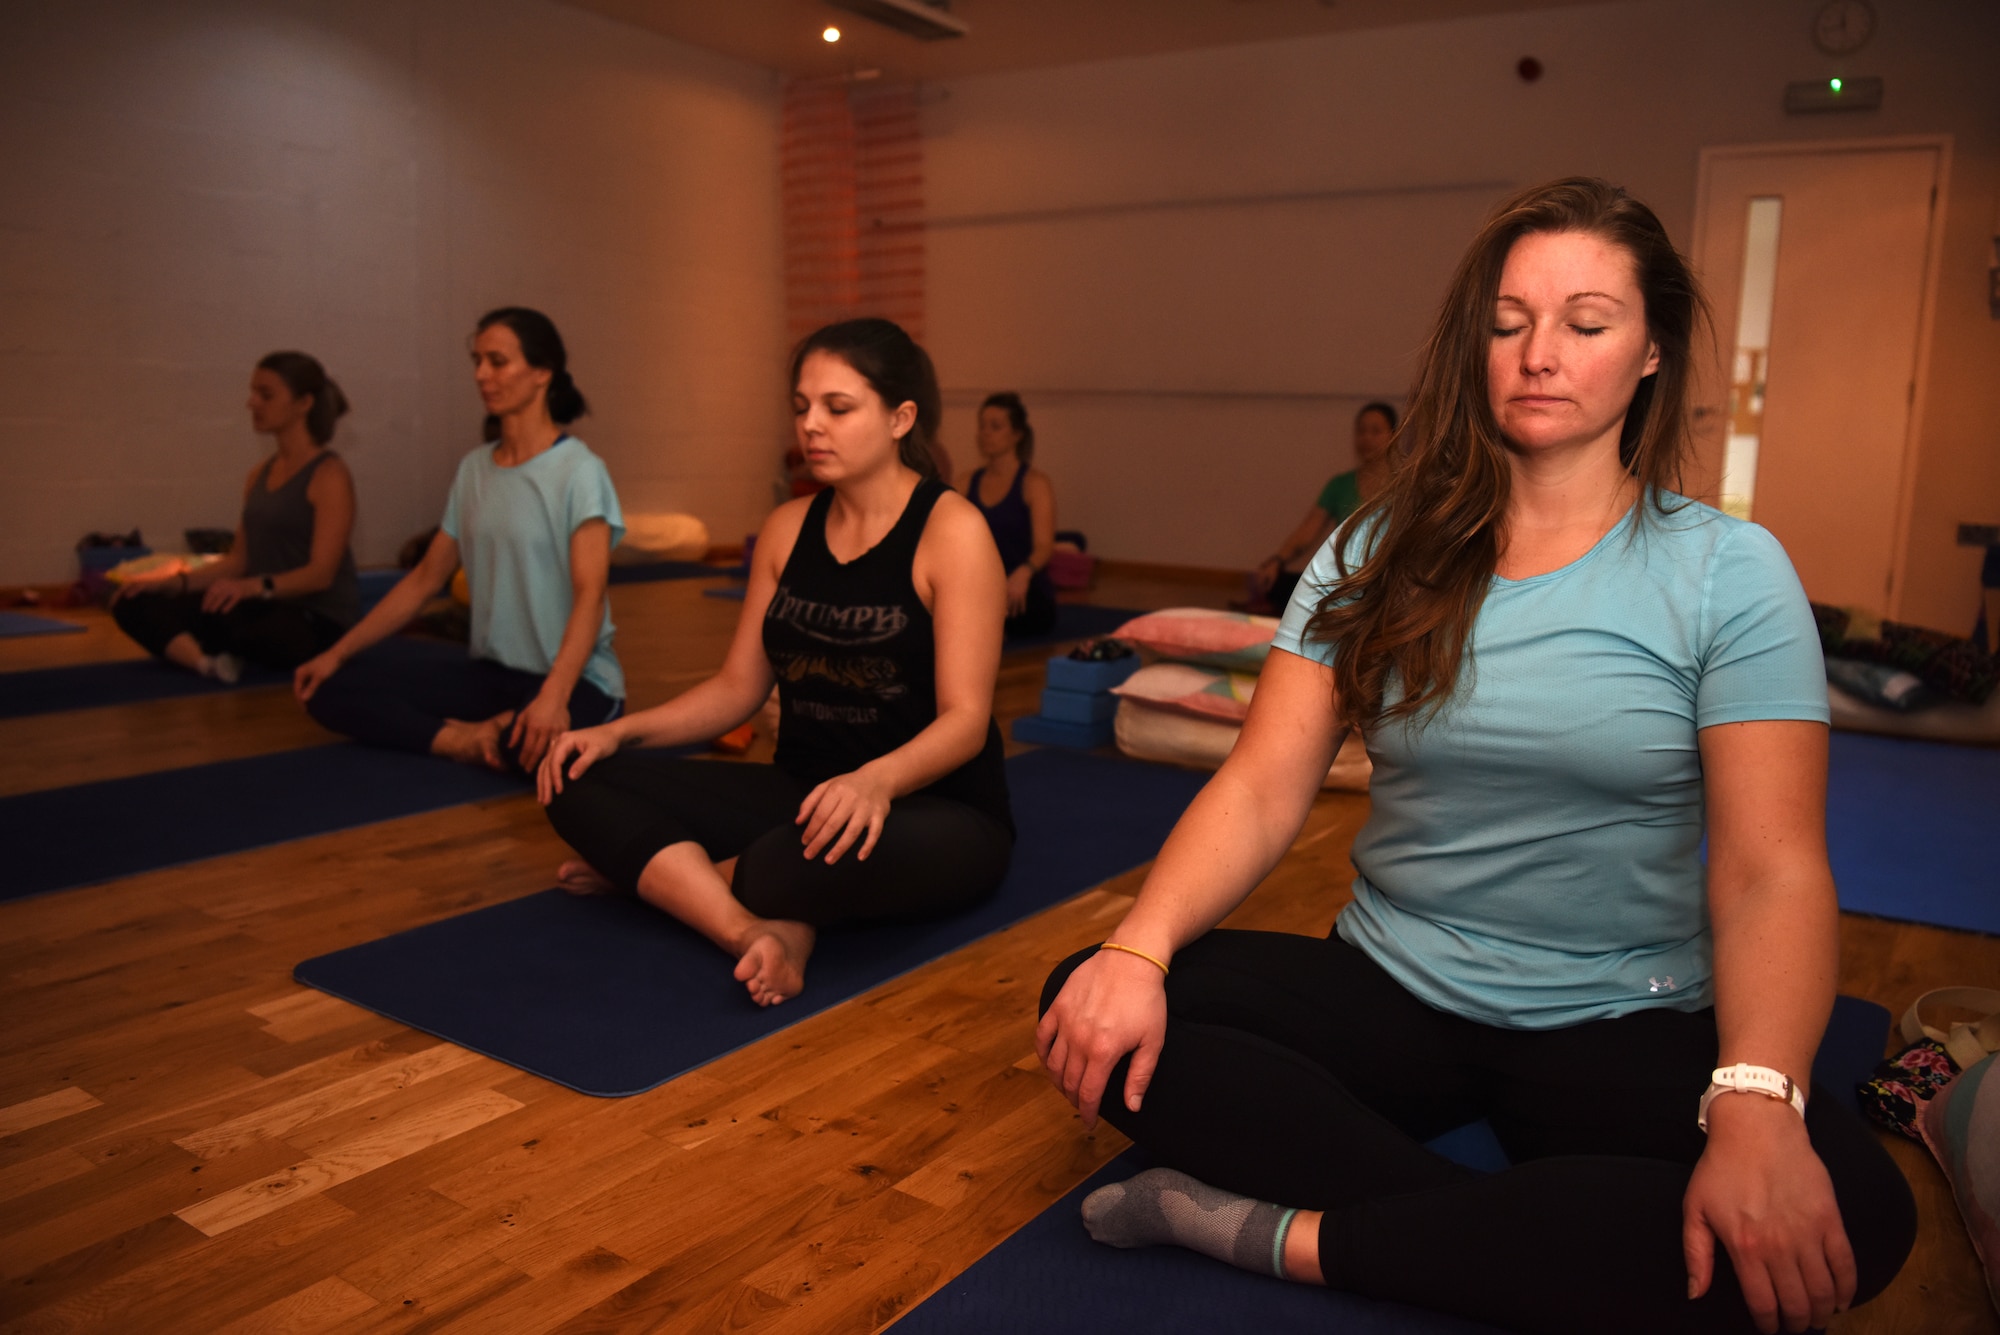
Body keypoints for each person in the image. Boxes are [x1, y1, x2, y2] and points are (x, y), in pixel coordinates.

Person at [1035, 178, 1914, 1335]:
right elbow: (1260, 786)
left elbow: (1769, 868)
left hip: (1620, 1012)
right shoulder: (1371, 547)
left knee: (1852, 1219)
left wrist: (1754, 1101)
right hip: (1389, 986)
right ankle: (1509, 1238)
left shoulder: (1724, 572)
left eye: (1585, 324)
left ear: (1649, 352)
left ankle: (1281, 1233)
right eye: (1508, 324)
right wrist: (1134, 951)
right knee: (1088, 1008)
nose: (1537, 354)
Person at [537, 317, 1013, 1009]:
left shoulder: (953, 532)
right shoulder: (789, 531)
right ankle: (747, 925)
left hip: (930, 811)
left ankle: (661, 873)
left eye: (838, 408)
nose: (811, 426)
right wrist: (617, 732)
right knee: (572, 777)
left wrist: (874, 783)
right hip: (800, 793)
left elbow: (967, 720)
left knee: (796, 857)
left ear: (900, 418)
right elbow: (736, 689)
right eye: (802, 407)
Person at [294, 307, 623, 772]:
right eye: (477, 361)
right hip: (492, 675)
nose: (481, 375)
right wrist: (335, 653)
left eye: (497, 361)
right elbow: (426, 578)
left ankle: (487, 733)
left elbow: (590, 595)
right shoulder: (474, 469)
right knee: (329, 688)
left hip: (577, 680)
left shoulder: (581, 472)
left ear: (542, 373)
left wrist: (553, 697)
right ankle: (463, 741)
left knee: (533, 746)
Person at [111, 352, 359, 679]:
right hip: (260, 603)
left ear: (303, 404)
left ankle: (212, 649)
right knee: (131, 602)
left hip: (312, 616)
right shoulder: (259, 475)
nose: (252, 403)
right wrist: (171, 585)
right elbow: (238, 561)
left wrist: (251, 588)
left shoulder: (330, 475)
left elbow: (321, 574)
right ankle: (205, 663)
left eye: (266, 395)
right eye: (253, 393)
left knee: (252, 626)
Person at [1248, 402, 1398, 613]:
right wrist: (1276, 560)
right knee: (1284, 588)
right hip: (1344, 579)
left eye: (1375, 431)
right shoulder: (1339, 484)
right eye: (1361, 431)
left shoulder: (1405, 485)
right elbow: (1308, 530)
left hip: (1387, 580)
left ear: (1394, 435)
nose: (1367, 438)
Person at [963, 391, 1057, 639]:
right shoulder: (965, 482)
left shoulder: (1035, 483)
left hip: (1019, 588)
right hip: (979, 585)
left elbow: (1044, 546)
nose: (985, 433)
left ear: (1016, 435)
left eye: (995, 427)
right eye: (982, 426)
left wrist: (1022, 574)